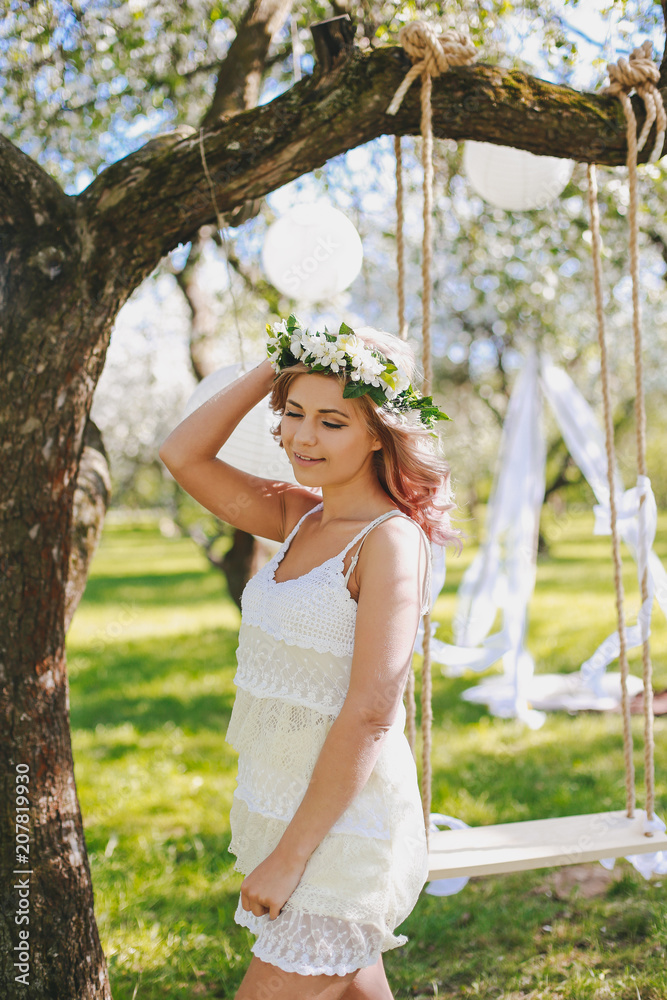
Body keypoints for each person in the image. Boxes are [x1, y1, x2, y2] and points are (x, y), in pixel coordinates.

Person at [158, 315, 461, 1000]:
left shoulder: (387, 542)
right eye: (292, 414)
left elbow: (371, 714)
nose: (301, 436)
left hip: (343, 828)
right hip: (287, 803)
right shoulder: (299, 517)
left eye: (331, 421)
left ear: (378, 432)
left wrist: (288, 861)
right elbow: (181, 454)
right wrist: (285, 361)